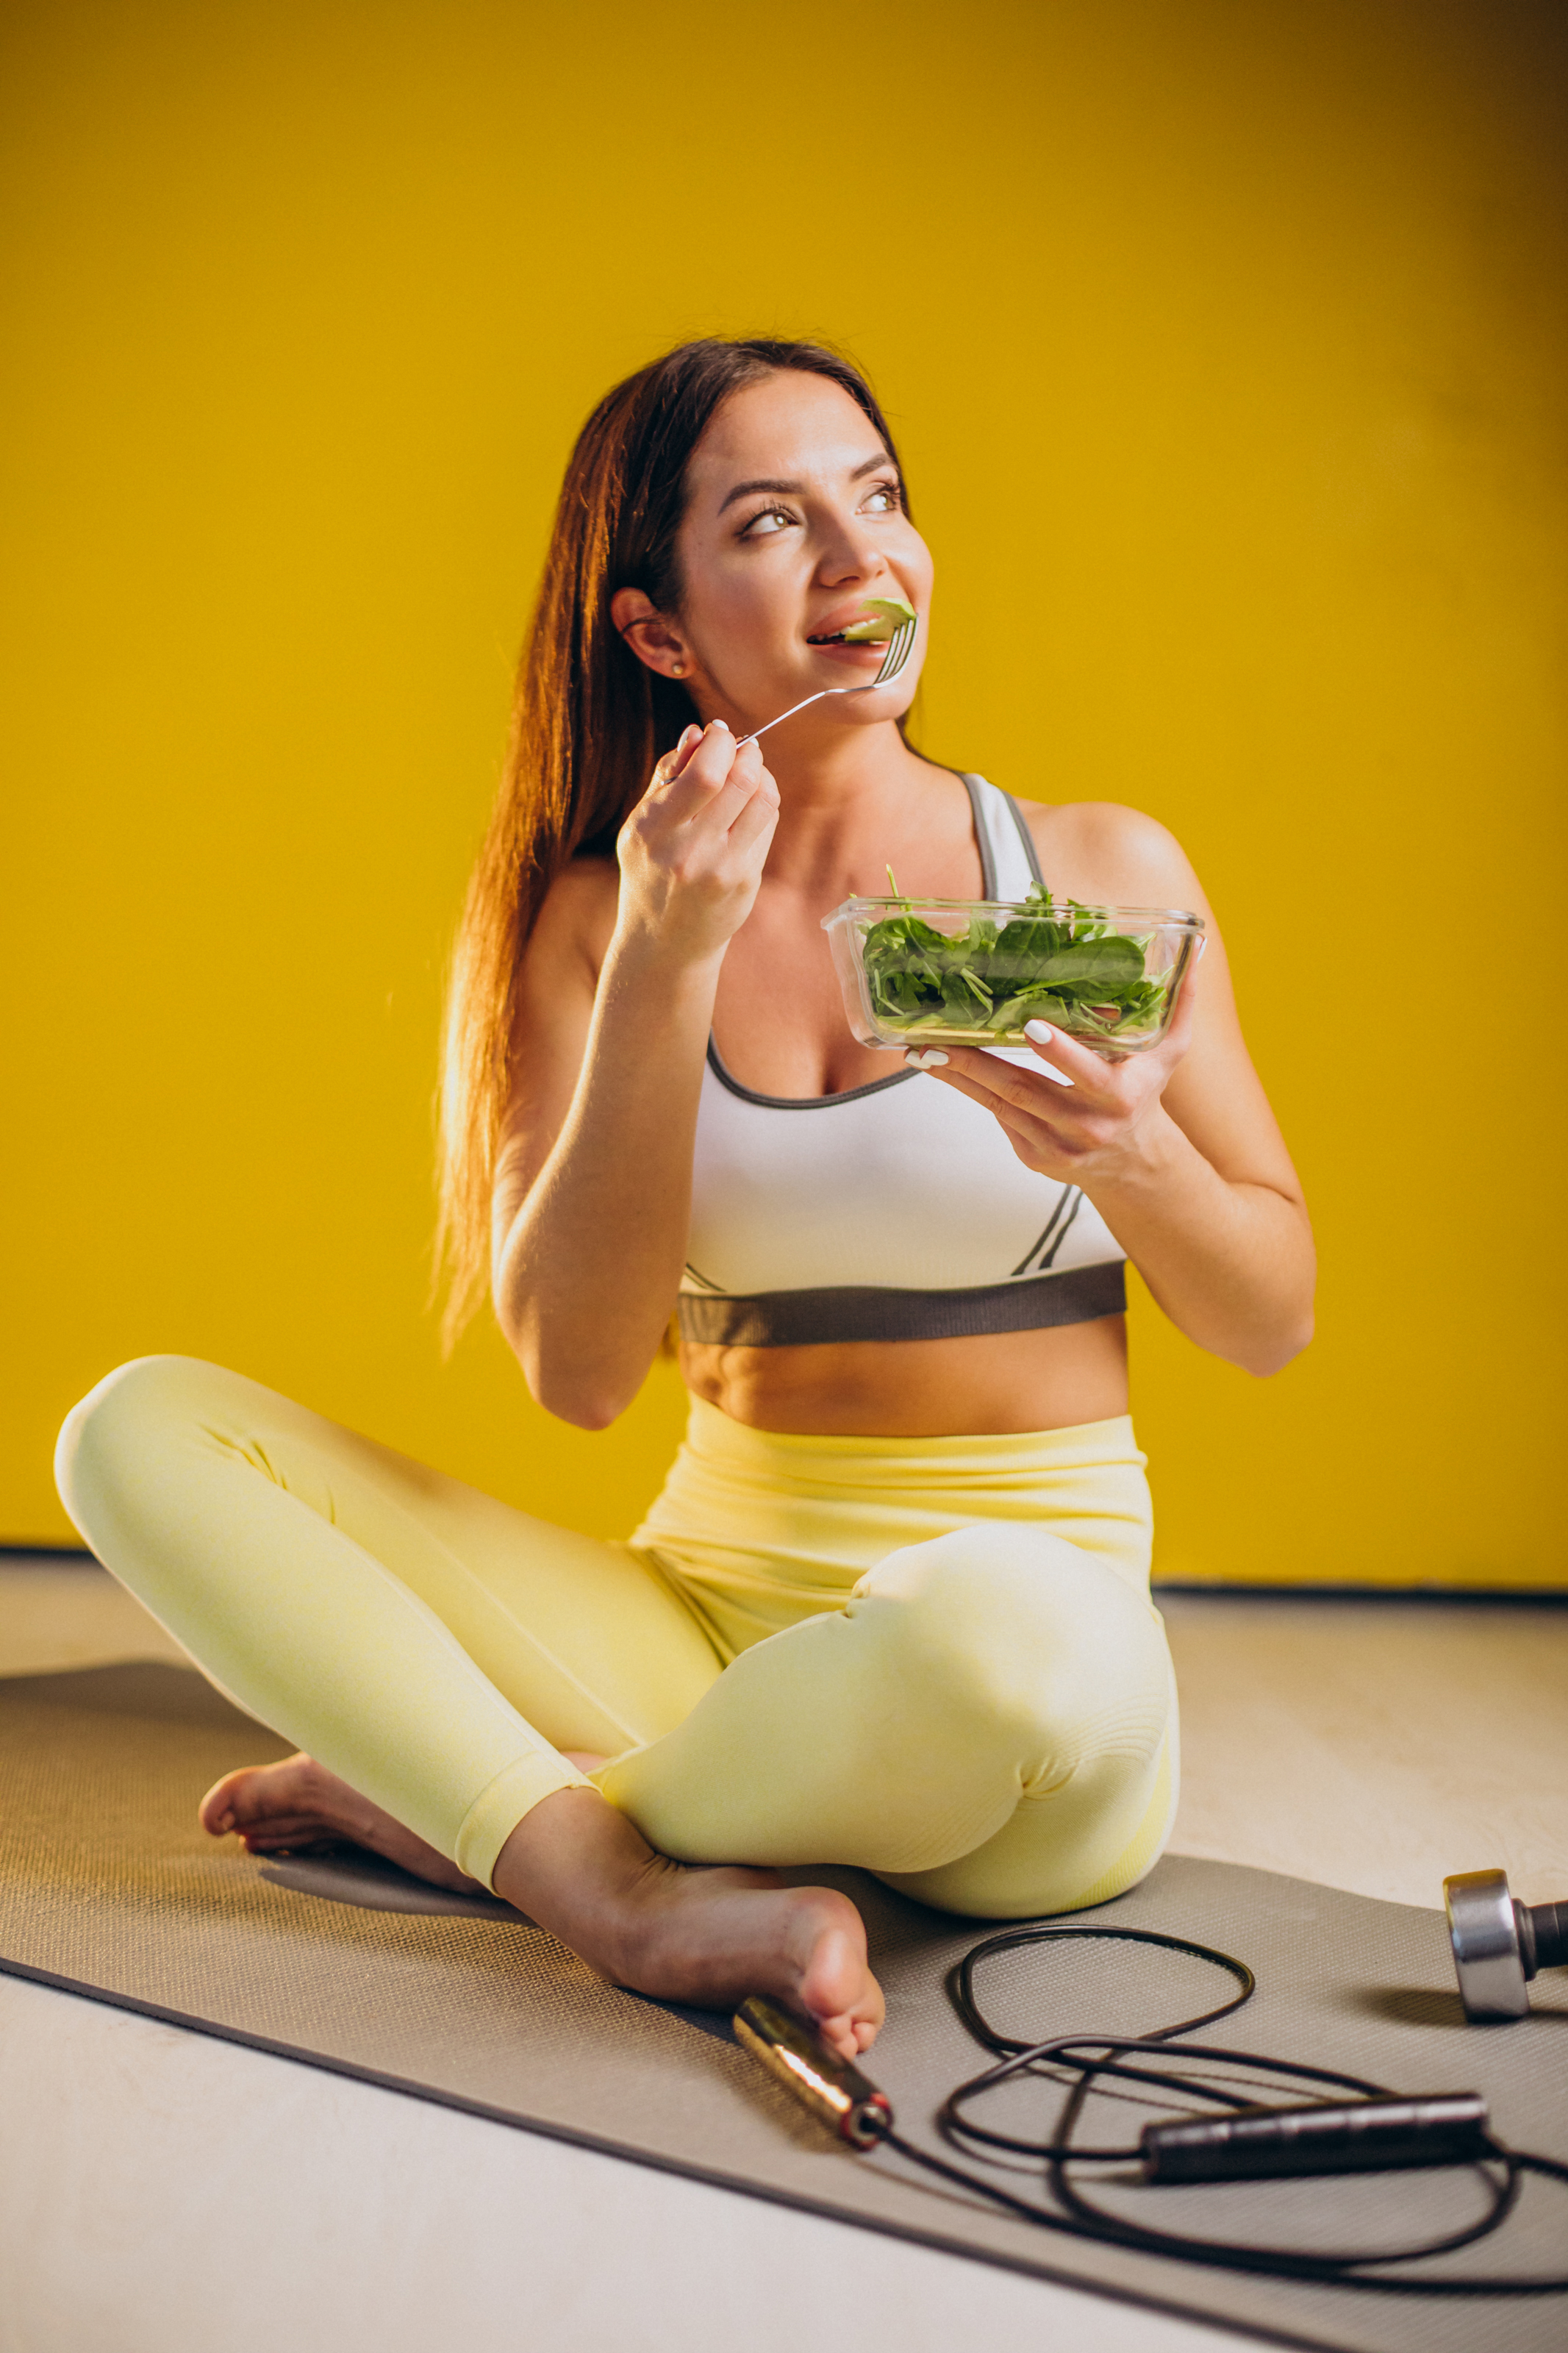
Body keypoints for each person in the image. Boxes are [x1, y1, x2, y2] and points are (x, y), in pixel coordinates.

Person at [55, 338, 1314, 2060]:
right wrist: (661, 955)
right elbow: (579, 1375)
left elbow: (1271, 1312)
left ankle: (470, 1804)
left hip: (1028, 1664)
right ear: (656, 629)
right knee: (134, 1429)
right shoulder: (592, 919)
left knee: (993, 1639)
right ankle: (613, 1883)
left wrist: (1134, 1160)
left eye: (877, 499)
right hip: (700, 1625)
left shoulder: (1092, 876)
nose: (861, 563)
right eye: (773, 522)